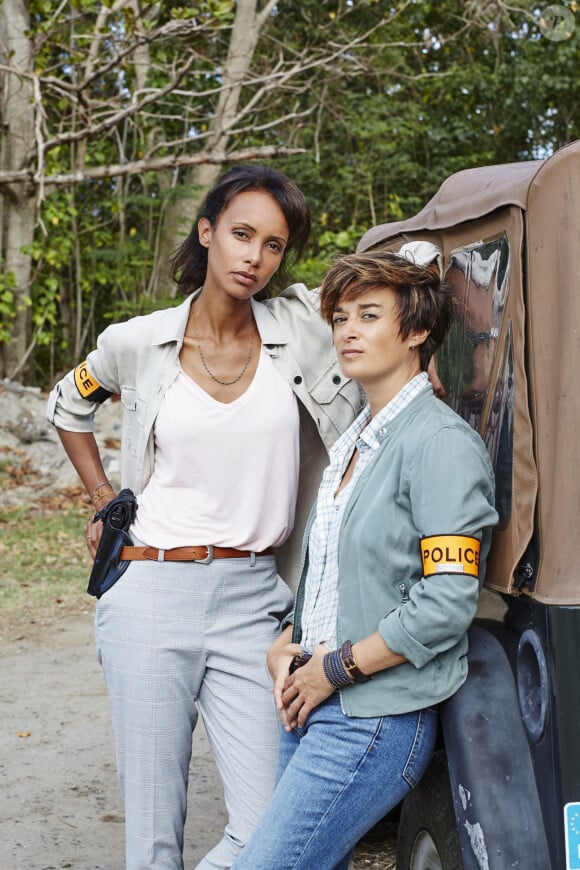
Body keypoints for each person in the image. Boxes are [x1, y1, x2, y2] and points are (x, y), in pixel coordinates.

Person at [45, 164, 363, 870]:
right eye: (242, 234)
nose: (254, 256)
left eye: (274, 245)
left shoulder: (302, 329)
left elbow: (389, 284)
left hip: (255, 599)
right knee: (153, 842)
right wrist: (103, 496)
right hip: (150, 592)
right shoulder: (139, 340)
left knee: (268, 830)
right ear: (208, 231)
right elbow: (67, 404)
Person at [232, 250, 499, 870]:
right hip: (311, 700)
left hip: (374, 718)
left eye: (368, 315)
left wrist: (339, 668)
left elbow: (446, 602)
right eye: (340, 316)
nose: (346, 330)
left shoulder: (440, 445)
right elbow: (338, 576)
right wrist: (287, 640)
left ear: (415, 331)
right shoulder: (356, 442)